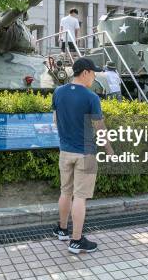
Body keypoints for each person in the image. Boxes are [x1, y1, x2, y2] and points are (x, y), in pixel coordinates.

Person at [51, 58, 114, 254]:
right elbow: (100, 127)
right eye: (94, 74)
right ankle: (76, 241)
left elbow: (55, 120)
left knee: (65, 192)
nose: (94, 78)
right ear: (85, 72)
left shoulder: (58, 92)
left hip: (65, 151)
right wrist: (110, 151)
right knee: (80, 197)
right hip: (85, 153)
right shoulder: (91, 97)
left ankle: (62, 230)